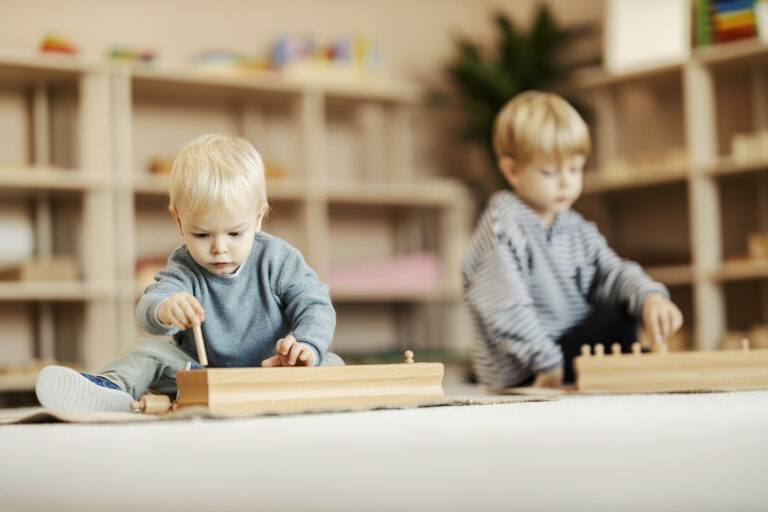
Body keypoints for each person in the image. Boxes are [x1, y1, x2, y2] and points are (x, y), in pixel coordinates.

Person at [36, 133, 340, 412]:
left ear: (258, 218)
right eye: (202, 235)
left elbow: (315, 304)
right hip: (203, 379)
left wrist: (305, 346)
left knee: (332, 363)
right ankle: (109, 390)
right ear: (179, 222)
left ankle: (310, 388)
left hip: (274, 374)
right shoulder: (183, 266)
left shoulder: (279, 258)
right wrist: (166, 309)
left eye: (235, 234)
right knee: (143, 348)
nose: (219, 248)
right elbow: (149, 306)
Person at [462, 91, 683, 389]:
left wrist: (649, 297)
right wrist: (547, 362)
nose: (566, 181)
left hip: (566, 351)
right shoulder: (504, 222)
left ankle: (628, 366)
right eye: (550, 172)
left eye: (575, 168)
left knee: (622, 312)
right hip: (527, 367)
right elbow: (505, 306)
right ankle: (616, 367)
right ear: (512, 171)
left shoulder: (575, 226)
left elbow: (613, 273)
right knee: (621, 334)